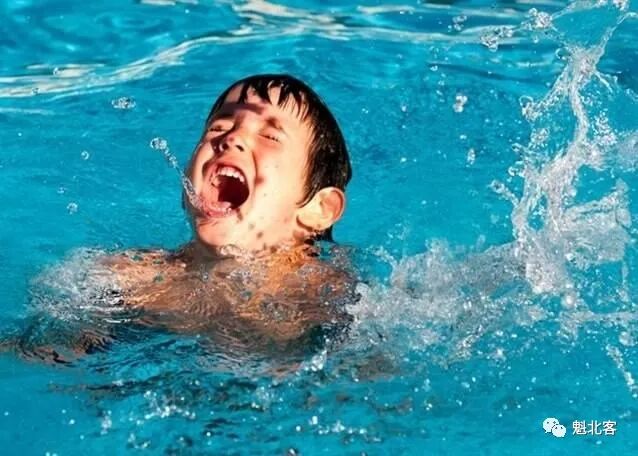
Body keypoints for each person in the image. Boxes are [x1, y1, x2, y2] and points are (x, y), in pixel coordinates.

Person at [96, 73, 356, 348]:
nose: (232, 138)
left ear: (320, 210)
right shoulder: (134, 278)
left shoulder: (327, 300)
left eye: (270, 136)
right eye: (218, 128)